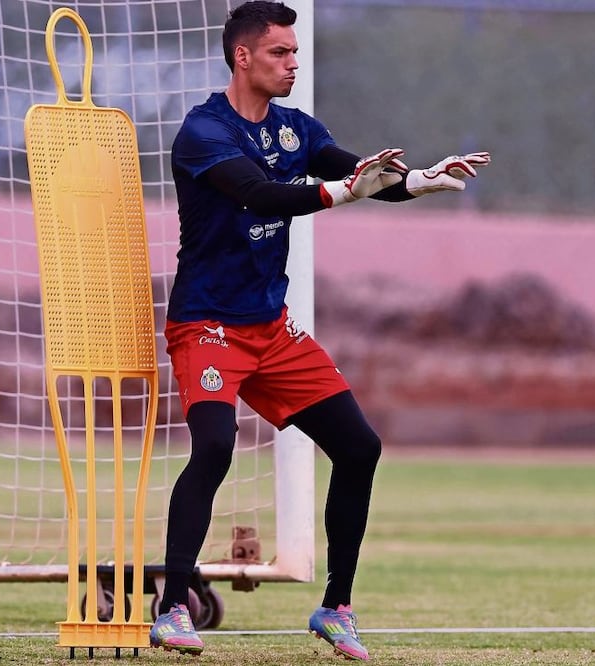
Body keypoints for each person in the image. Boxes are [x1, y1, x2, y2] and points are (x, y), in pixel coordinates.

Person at [147, 1, 489, 660]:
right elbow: (263, 195)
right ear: (242, 56)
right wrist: (345, 192)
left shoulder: (295, 128)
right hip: (208, 325)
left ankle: (335, 608)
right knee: (214, 446)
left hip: (270, 331)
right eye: (279, 52)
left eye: (295, 52)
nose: (293, 63)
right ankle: (171, 609)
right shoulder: (203, 132)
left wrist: (418, 181)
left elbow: (363, 176)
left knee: (358, 448)